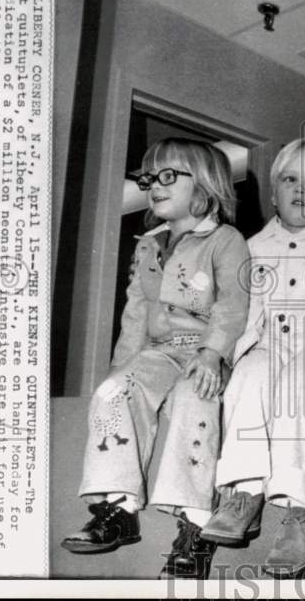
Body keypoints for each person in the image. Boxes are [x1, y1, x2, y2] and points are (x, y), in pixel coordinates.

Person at [60, 138, 250, 581]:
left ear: (205, 184)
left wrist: (212, 354)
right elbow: (136, 315)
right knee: (113, 392)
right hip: (158, 351)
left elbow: (233, 304)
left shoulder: (224, 239)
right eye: (148, 178)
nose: (153, 186)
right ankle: (119, 508)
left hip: (204, 351)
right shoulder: (147, 245)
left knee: (194, 400)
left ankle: (195, 522)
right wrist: (119, 370)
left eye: (168, 176)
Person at [201, 139, 305, 578]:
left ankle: (304, 509)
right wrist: (231, 357)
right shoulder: (254, 246)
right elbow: (248, 311)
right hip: (270, 345)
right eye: (289, 180)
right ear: (273, 192)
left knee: (301, 387)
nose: (299, 189)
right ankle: (243, 491)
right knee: (247, 378)